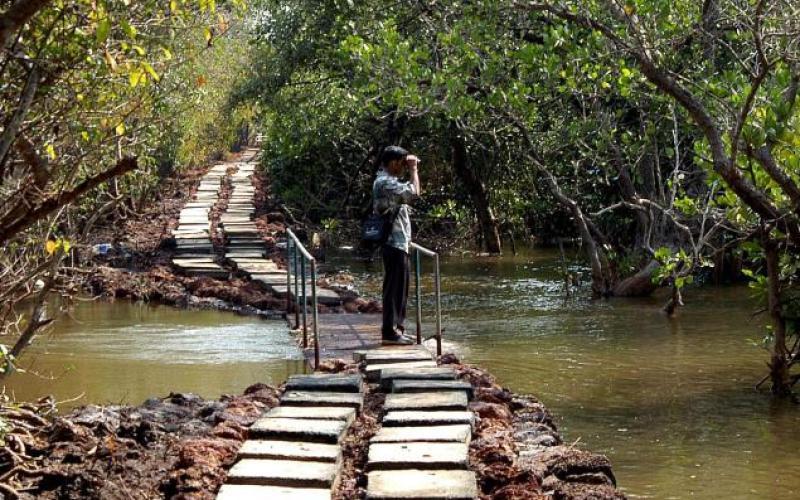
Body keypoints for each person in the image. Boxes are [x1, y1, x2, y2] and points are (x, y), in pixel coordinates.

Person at [373, 145, 421, 345]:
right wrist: (414, 170)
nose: (403, 168)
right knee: (394, 288)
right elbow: (414, 193)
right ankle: (390, 332)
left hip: (399, 242)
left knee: (401, 288)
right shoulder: (384, 182)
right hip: (393, 242)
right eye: (401, 164)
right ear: (393, 163)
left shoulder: (388, 181)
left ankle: (397, 330)